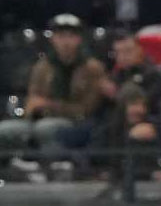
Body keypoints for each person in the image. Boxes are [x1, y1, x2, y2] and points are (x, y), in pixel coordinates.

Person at [0, 15, 107, 164]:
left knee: (46, 128)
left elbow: (87, 109)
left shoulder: (93, 68)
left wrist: (49, 105)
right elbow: (33, 101)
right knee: (4, 130)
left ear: (79, 39)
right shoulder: (42, 67)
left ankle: (50, 169)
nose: (66, 42)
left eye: (71, 36)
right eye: (61, 36)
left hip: (76, 122)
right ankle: (10, 172)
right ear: (53, 39)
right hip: (40, 119)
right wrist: (34, 109)